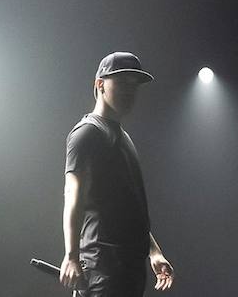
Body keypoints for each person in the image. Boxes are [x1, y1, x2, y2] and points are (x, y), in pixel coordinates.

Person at [60, 51, 175, 294]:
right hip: (102, 267)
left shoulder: (124, 138)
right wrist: (71, 256)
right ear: (100, 84)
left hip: (129, 271)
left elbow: (130, 207)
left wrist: (154, 251)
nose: (129, 91)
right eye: (122, 83)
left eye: (134, 86)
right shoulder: (87, 133)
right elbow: (73, 194)